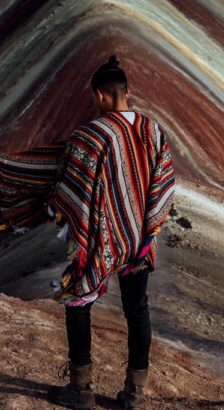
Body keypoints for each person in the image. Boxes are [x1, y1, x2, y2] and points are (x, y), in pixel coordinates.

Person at [46, 55, 176, 410]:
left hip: (100, 241)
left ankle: (81, 389)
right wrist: (146, 227)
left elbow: (68, 187)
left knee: (78, 301)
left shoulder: (90, 136)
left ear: (101, 96)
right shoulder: (153, 130)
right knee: (137, 310)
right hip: (138, 240)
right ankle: (134, 395)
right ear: (127, 92)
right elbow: (165, 184)